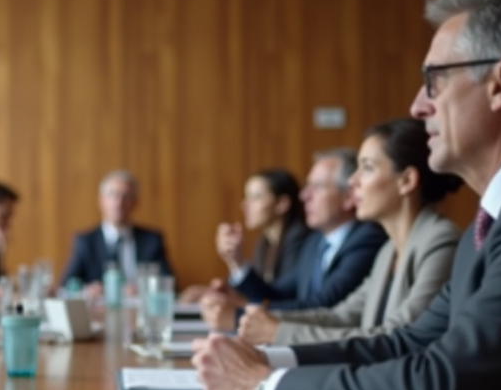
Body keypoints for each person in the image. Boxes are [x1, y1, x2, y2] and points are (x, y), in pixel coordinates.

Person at [192, 0, 501, 390]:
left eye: (434, 79)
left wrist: (263, 388)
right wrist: (267, 360)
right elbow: (410, 342)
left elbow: (442, 386)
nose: (418, 105)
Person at [236, 118, 461, 345]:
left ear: (407, 180)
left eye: (367, 168)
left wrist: (277, 332)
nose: (353, 181)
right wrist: (265, 319)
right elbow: (342, 316)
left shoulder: (439, 241)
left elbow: (398, 337)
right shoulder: (388, 250)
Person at [200, 149, 386, 320]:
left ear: (348, 197)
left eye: (318, 187)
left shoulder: (366, 239)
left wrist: (240, 312)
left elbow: (322, 306)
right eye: (307, 186)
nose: (305, 195)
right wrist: (238, 269)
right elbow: (279, 294)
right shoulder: (315, 241)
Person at [180, 169, 309, 302]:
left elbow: (276, 297)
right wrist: (210, 291)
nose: (244, 205)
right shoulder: (263, 243)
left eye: (255, 197)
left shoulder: (300, 240)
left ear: (282, 204)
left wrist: (238, 262)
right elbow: (258, 289)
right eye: (247, 197)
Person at [60, 170, 174, 295]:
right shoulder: (86, 241)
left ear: (135, 202)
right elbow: (65, 286)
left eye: (126, 196)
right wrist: (86, 291)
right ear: (101, 200)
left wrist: (142, 290)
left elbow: (169, 286)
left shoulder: (151, 240)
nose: (118, 203)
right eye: (112, 195)